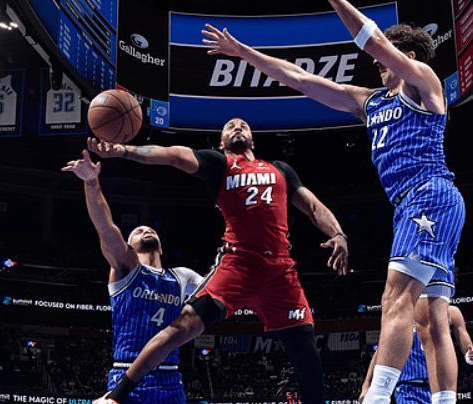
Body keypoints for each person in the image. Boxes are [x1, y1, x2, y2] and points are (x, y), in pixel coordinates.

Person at [201, 1, 465, 402]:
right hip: (421, 206)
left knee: (395, 298)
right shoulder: (371, 102)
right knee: (431, 319)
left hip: (428, 194)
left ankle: (376, 399)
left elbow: (373, 42)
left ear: (408, 56)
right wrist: (243, 53)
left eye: (387, 56)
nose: (376, 63)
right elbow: (300, 79)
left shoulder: (423, 82)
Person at [88, 116, 349, 403]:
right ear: (221, 142)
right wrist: (124, 151)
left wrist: (338, 233)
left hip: (280, 270)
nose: (237, 126)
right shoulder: (219, 164)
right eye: (230, 126)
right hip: (238, 264)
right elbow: (172, 155)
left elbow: (313, 207)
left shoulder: (280, 169)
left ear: (253, 139)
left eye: (243, 125)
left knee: (306, 351)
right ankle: (116, 396)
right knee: (181, 327)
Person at [62, 150, 203, 403]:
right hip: (126, 374)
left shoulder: (183, 277)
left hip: (170, 379)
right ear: (129, 246)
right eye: (138, 231)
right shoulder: (126, 267)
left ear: (161, 248)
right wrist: (92, 183)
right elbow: (105, 228)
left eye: (150, 229)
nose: (146, 230)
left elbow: (219, 291)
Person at [360, 305, 473, 403]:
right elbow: (381, 351)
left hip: (441, 388)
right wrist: (366, 385)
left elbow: (466, 344)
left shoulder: (450, 312)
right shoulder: (400, 314)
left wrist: (469, 354)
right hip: (408, 388)